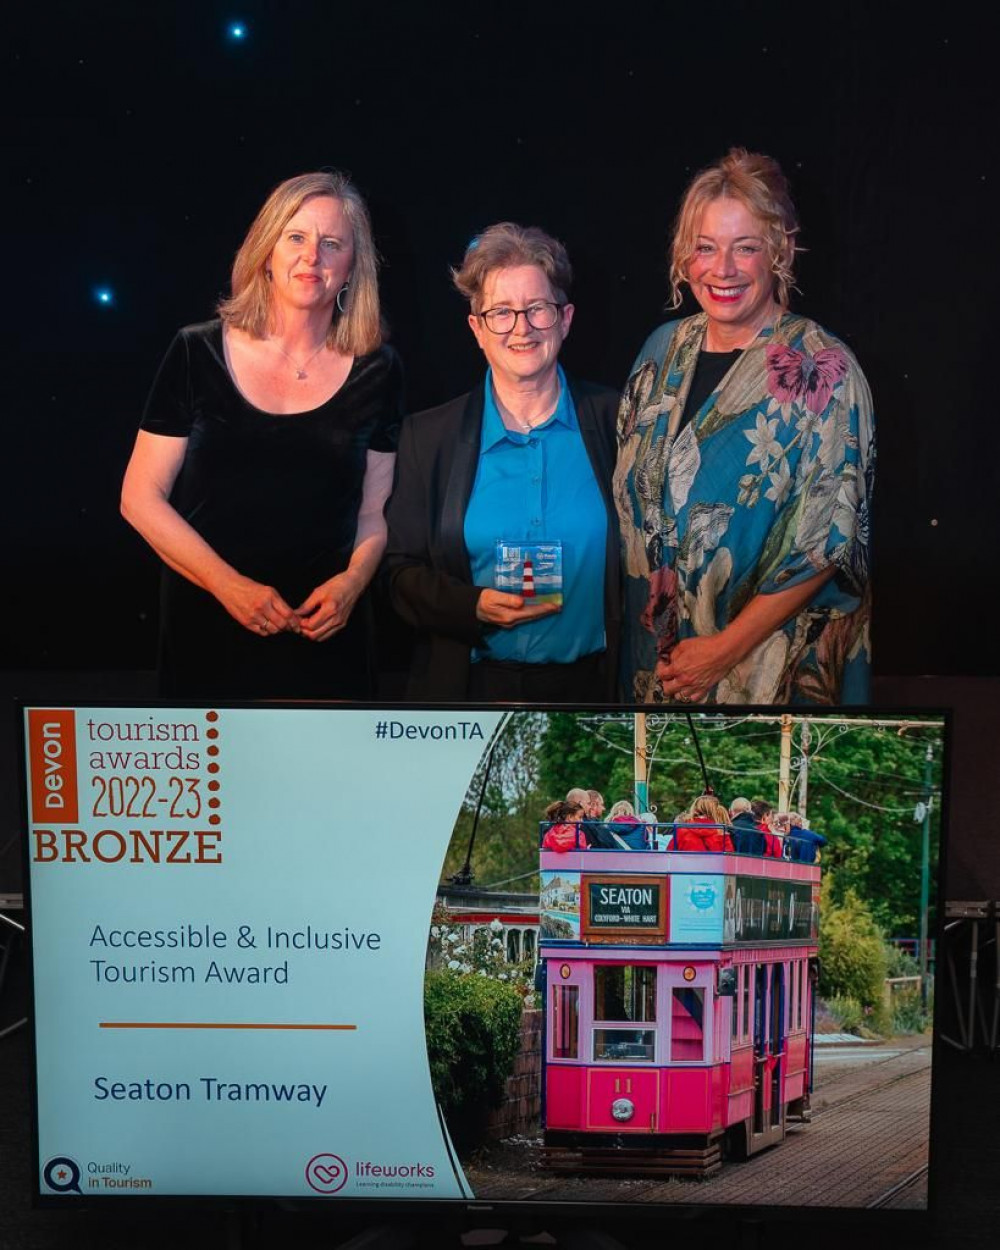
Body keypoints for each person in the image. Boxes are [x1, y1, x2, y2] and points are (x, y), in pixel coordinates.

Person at [121, 172, 403, 699]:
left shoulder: (378, 370)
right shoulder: (195, 352)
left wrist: (352, 584)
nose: (310, 256)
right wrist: (229, 587)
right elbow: (139, 499)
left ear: (351, 270)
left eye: (332, 244)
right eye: (295, 237)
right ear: (266, 250)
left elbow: (372, 513)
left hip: (328, 643)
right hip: (206, 638)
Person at [614, 148, 875, 705]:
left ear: (780, 251)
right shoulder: (661, 352)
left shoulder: (824, 369)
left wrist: (722, 651)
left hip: (768, 676)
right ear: (685, 257)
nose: (723, 269)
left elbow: (830, 546)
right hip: (658, 676)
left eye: (746, 248)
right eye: (706, 248)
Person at [384, 223, 621, 701]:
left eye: (537, 309)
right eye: (501, 313)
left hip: (595, 694)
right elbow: (397, 573)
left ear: (565, 319)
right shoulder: (427, 438)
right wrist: (474, 606)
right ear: (476, 328)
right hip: (469, 693)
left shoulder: (621, 424)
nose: (521, 328)